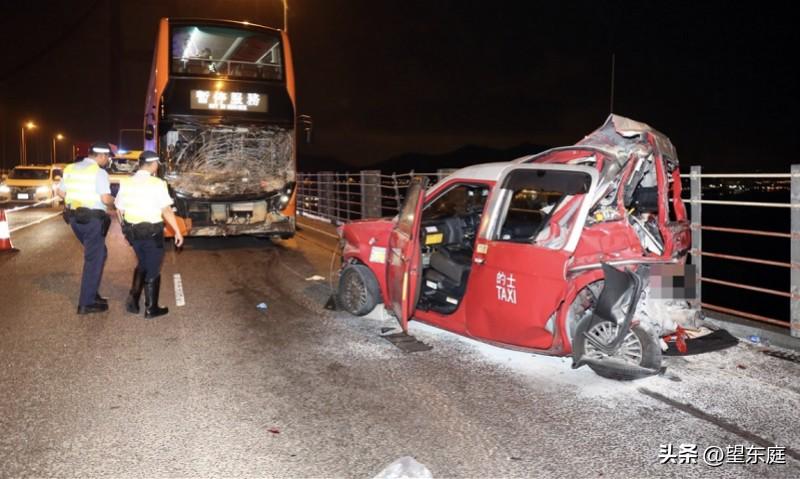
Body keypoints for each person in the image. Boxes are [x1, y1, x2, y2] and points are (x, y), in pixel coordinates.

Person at [115, 151, 184, 319]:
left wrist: (125, 228)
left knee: (143, 263)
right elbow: (166, 210)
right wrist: (177, 231)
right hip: (152, 233)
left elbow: (119, 209)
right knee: (152, 268)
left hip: (134, 232)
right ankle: (151, 308)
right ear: (153, 165)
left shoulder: (126, 183)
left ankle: (133, 299)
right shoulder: (157, 183)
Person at [57, 142, 114, 315]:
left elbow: (61, 193)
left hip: (75, 220)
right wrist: (114, 201)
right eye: (108, 157)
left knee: (99, 253)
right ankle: (86, 303)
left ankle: (91, 293)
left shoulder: (70, 168)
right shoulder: (99, 172)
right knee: (94, 258)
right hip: (92, 220)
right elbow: (105, 199)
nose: (108, 160)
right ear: (101, 156)